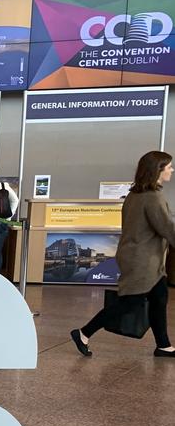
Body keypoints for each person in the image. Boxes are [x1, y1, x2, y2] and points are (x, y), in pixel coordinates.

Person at [72, 150, 175, 359]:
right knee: (129, 303)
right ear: (158, 170)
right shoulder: (153, 197)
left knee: (159, 298)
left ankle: (163, 345)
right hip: (143, 260)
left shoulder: (135, 194)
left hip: (140, 256)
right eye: (169, 167)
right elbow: (167, 227)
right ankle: (83, 333)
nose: (172, 170)